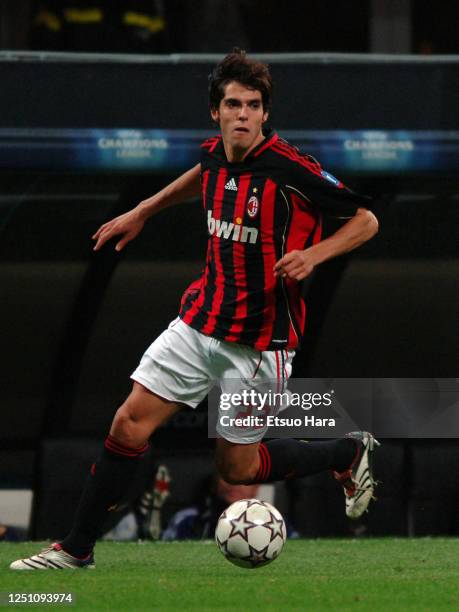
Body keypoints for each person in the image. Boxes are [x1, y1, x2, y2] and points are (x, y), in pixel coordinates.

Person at [11, 49, 379, 570]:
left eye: (254, 105)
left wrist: (313, 256)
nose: (244, 115)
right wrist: (141, 212)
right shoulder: (214, 154)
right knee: (128, 423)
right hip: (199, 321)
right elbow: (200, 174)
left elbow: (366, 221)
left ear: (265, 113)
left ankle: (344, 453)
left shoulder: (291, 169)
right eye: (234, 104)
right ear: (216, 111)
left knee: (236, 468)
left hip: (258, 345)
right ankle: (76, 549)